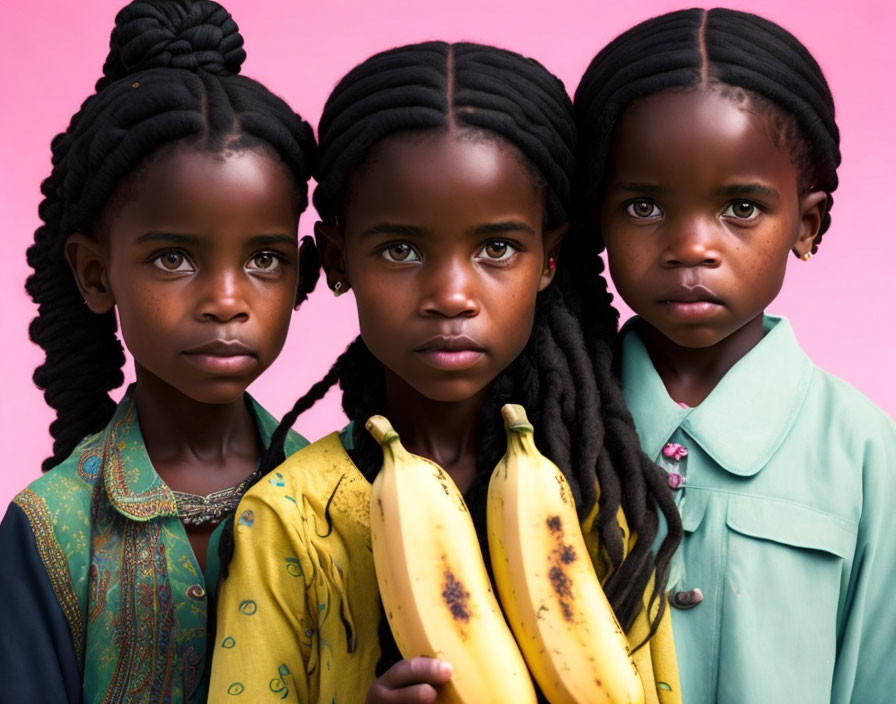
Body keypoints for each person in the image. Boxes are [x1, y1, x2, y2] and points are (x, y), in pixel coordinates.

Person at [210, 41, 683, 704]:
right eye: (401, 249)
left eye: (497, 248)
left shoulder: (601, 503)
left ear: (550, 259)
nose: (451, 294)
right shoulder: (288, 517)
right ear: (340, 258)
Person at [572, 8, 896, 703]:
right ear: (596, 218)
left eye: (741, 208)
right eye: (644, 207)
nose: (692, 246)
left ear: (806, 225)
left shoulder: (872, 458)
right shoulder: (543, 434)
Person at [0, 1, 317, 701]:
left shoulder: (341, 499)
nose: (225, 299)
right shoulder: (50, 529)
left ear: (303, 273)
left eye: (264, 259)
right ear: (94, 273)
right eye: (173, 258)